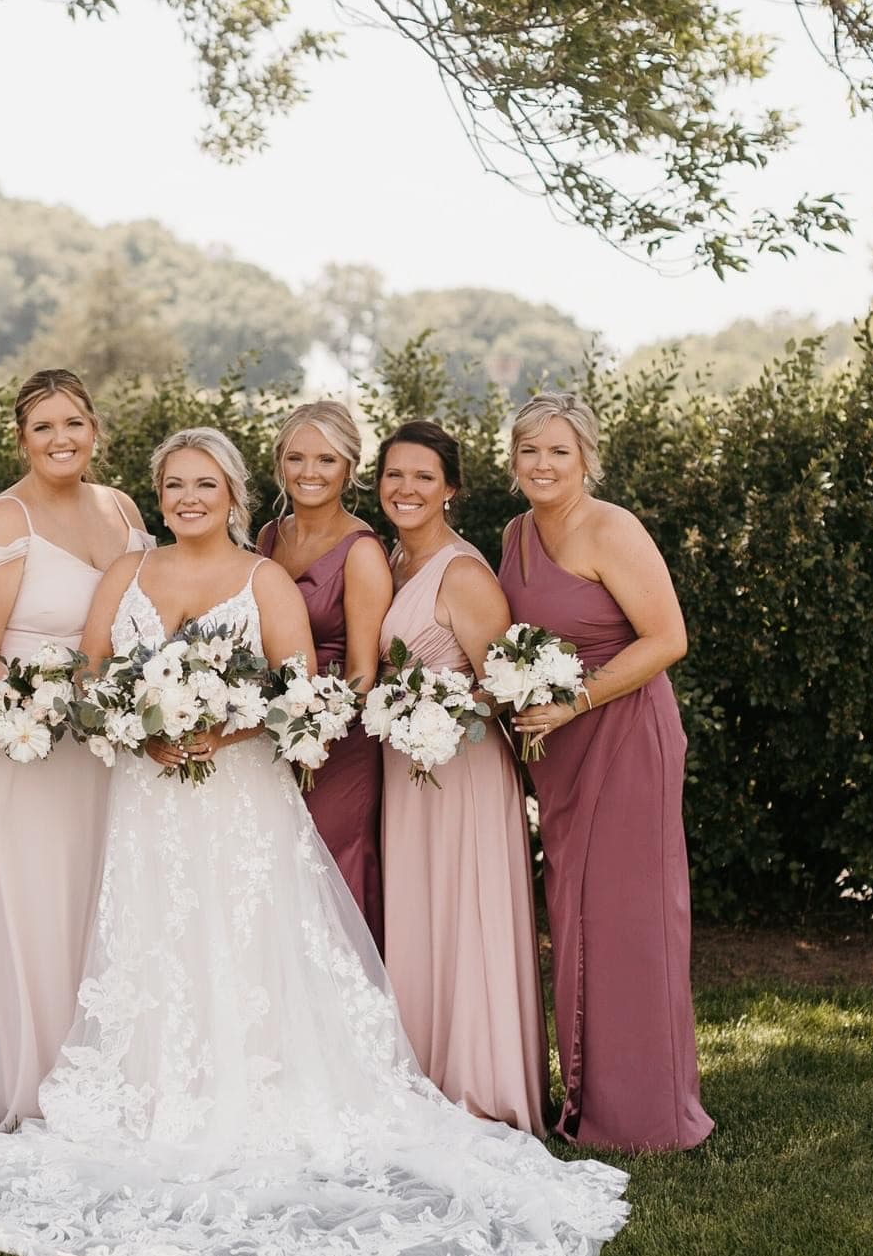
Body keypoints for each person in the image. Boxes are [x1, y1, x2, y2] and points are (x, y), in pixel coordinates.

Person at [0, 427, 629, 1256]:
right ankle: (156, 1089)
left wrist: (226, 725)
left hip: (240, 797)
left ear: (234, 493)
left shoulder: (264, 578)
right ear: (157, 496)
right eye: (173, 485)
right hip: (149, 801)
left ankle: (263, 1088)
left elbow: (297, 688)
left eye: (204, 484)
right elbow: (88, 676)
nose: (188, 498)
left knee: (245, 937)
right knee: (156, 939)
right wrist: (137, 721)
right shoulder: (126, 576)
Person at [498, 393, 712, 1152]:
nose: (544, 464)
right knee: (577, 915)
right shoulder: (517, 533)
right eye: (530, 451)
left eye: (559, 450)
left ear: (586, 456)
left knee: (632, 920)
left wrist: (575, 700)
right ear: (513, 459)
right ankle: (588, 1101)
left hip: (623, 734)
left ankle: (648, 1115)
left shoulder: (611, 528)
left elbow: (667, 638)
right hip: (560, 748)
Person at [0, 368, 152, 1130]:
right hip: (27, 748)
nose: (61, 439)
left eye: (74, 423)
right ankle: (39, 1090)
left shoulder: (124, 508)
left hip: (111, 749)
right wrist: (45, 706)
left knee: (109, 905)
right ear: (22, 439)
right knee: (38, 910)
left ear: (95, 429)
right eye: (44, 428)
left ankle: (112, 1079)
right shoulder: (6, 520)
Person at [376, 421, 550, 1134]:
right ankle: (420, 1074)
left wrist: (440, 707)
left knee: (464, 912)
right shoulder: (391, 560)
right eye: (394, 475)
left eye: (423, 476)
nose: (406, 489)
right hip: (405, 769)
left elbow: (508, 688)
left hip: (464, 771)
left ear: (451, 488)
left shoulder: (463, 573)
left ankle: (481, 1088)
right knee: (419, 915)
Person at [257, 400, 390, 943]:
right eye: (296, 458)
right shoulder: (266, 538)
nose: (309, 473)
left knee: (332, 869)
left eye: (326, 460)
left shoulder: (362, 553)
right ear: (280, 464)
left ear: (349, 468)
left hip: (337, 741)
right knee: (277, 871)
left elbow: (363, 673)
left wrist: (312, 726)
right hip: (267, 734)